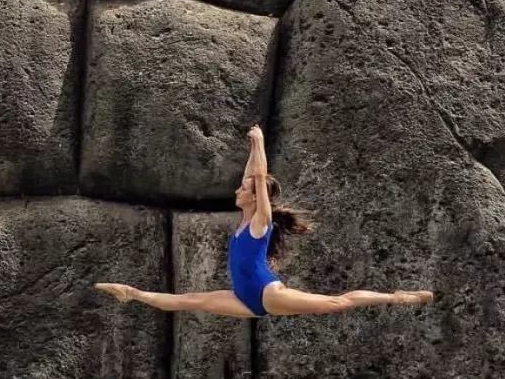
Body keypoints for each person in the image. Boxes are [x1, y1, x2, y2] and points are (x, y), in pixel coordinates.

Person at [95, 124, 433, 317]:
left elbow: (257, 177)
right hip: (245, 298)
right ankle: (132, 293)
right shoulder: (245, 220)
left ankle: (398, 297)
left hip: (266, 292)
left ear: (257, 198)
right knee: (191, 300)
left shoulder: (260, 223)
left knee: (336, 302)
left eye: (245, 188)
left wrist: (257, 142)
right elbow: (252, 176)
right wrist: (250, 152)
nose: (238, 189)